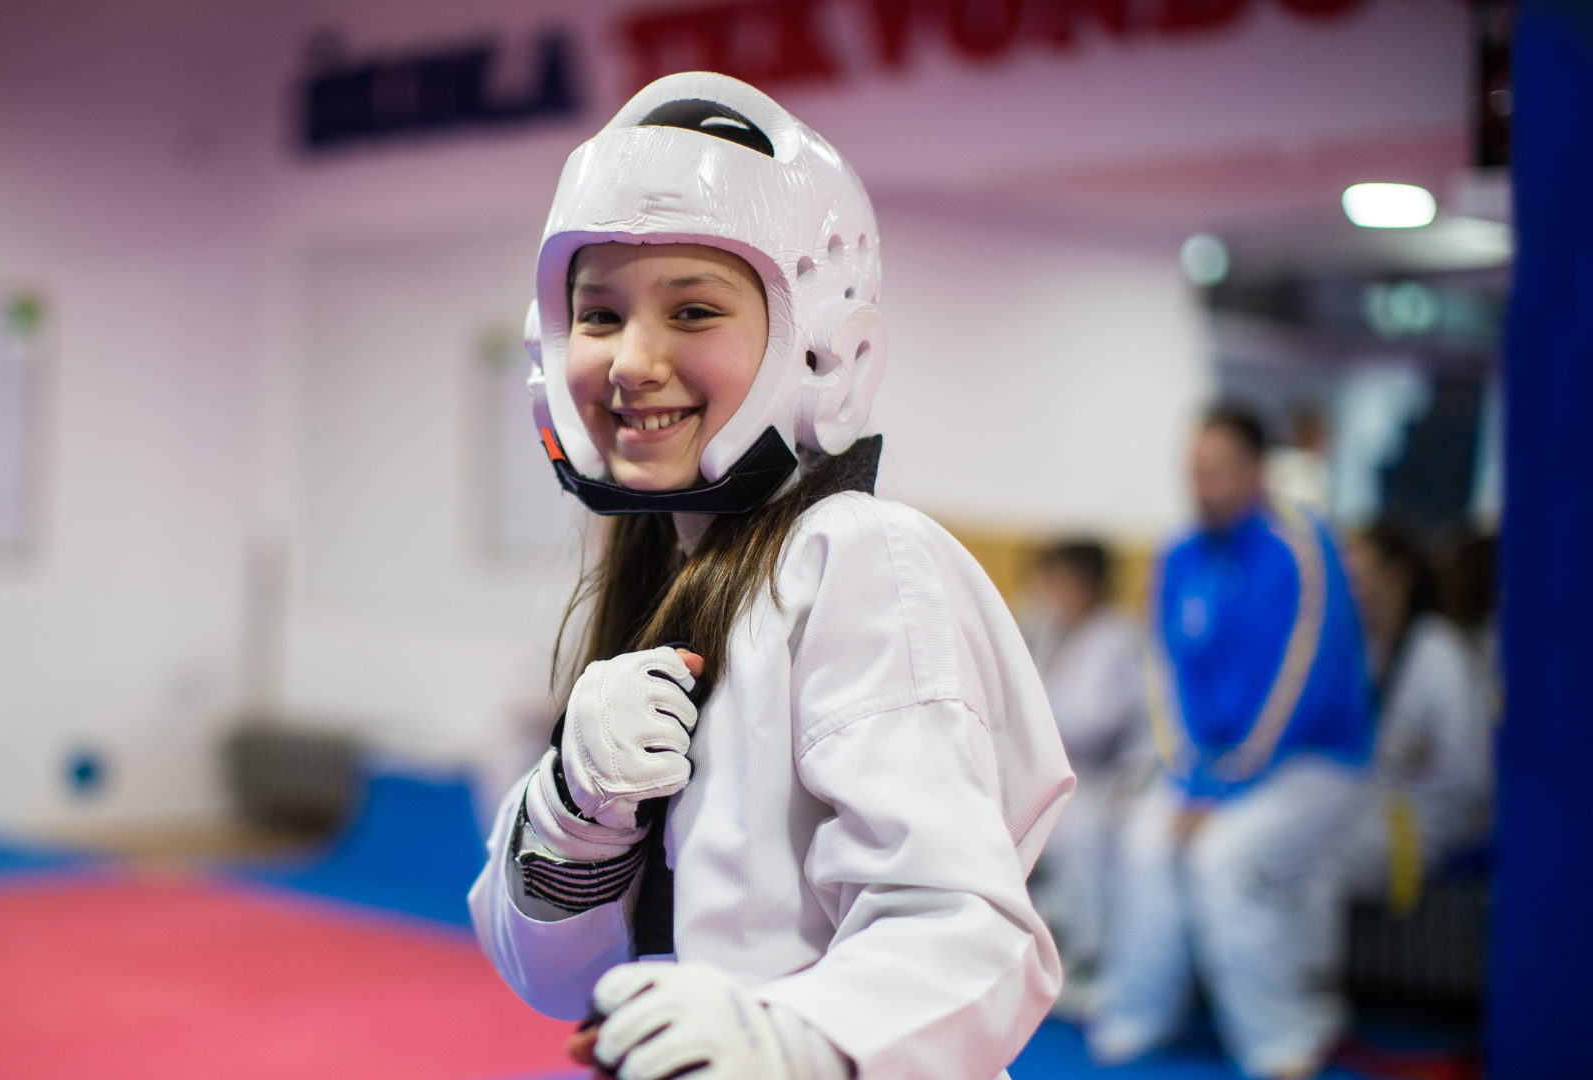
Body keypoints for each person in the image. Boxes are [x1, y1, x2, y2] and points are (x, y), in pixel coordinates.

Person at [466, 72, 1076, 1080]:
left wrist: (798, 1040)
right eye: (602, 313)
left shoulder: (861, 559)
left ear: (825, 350)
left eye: (693, 311)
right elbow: (554, 981)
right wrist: (578, 810)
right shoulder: (664, 571)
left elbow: (969, 933)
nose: (630, 362)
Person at [1087, 405, 1371, 1080]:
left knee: (1223, 858)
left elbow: (1294, 690)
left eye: (1215, 471)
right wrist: (1189, 783)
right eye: (1192, 470)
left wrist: (1220, 792)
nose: (1201, 484)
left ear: (1255, 471)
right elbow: (1166, 682)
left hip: (1312, 762)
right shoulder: (1178, 553)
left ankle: (1279, 1038)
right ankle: (1137, 1014)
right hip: (1209, 770)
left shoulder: (1301, 548)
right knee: (1145, 841)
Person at [1340, 522, 1494, 912]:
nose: (1348, 591)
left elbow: (1471, 781)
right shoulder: (1358, 655)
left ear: (1398, 577)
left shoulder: (1439, 653)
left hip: (1420, 828)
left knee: (1318, 864)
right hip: (1364, 812)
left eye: (1358, 577)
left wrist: (1406, 762)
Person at [1023, 541, 1150, 1012]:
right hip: (1069, 772)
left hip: (1114, 777)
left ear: (1085, 583)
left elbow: (1096, 724)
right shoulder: (1053, 631)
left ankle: (1092, 954)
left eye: (1057, 580)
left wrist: (1031, 715)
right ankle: (1049, 949)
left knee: (1073, 831)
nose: (1048, 591)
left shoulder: (1114, 637)